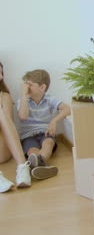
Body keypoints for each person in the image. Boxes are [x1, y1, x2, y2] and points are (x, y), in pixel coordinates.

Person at [17, 69, 71, 180]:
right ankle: (43, 167)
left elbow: (67, 109)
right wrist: (23, 95)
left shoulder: (49, 99)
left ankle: (38, 165)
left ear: (42, 88)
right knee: (32, 151)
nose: (26, 87)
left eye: (30, 85)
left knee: (48, 142)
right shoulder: (22, 101)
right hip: (28, 135)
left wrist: (54, 121)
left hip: (45, 131)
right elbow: (23, 116)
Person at [0, 62, 31, 193]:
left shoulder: (4, 96)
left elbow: (8, 125)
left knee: (0, 112)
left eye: (2, 73)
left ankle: (22, 167)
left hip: (2, 147)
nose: (1, 77)